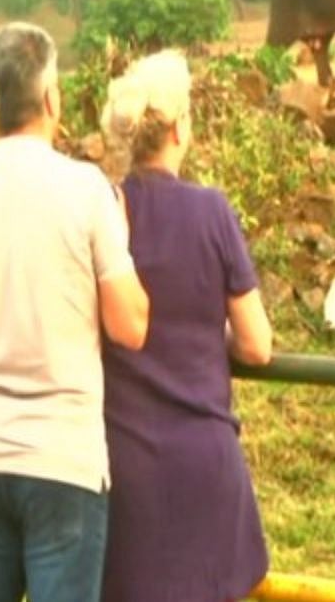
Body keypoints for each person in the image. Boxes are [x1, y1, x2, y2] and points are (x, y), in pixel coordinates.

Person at [0, 21, 150, 602]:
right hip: (63, 464)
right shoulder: (87, 191)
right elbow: (130, 326)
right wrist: (121, 244)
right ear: (51, 99)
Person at [98, 51, 272, 602]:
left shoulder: (104, 211)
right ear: (178, 128)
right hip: (205, 464)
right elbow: (257, 344)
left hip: (123, 473)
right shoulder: (212, 211)